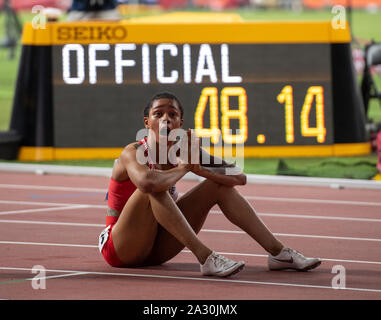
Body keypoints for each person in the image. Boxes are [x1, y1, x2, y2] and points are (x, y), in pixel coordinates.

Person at [98, 92, 322, 277]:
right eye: (158, 114)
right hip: (121, 248)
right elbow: (146, 183)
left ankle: (278, 253)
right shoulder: (133, 152)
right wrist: (185, 168)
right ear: (147, 122)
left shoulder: (184, 151)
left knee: (217, 186)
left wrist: (200, 169)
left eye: (172, 114)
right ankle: (206, 258)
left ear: (180, 123)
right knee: (154, 190)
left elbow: (238, 177)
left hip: (156, 248)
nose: (166, 119)